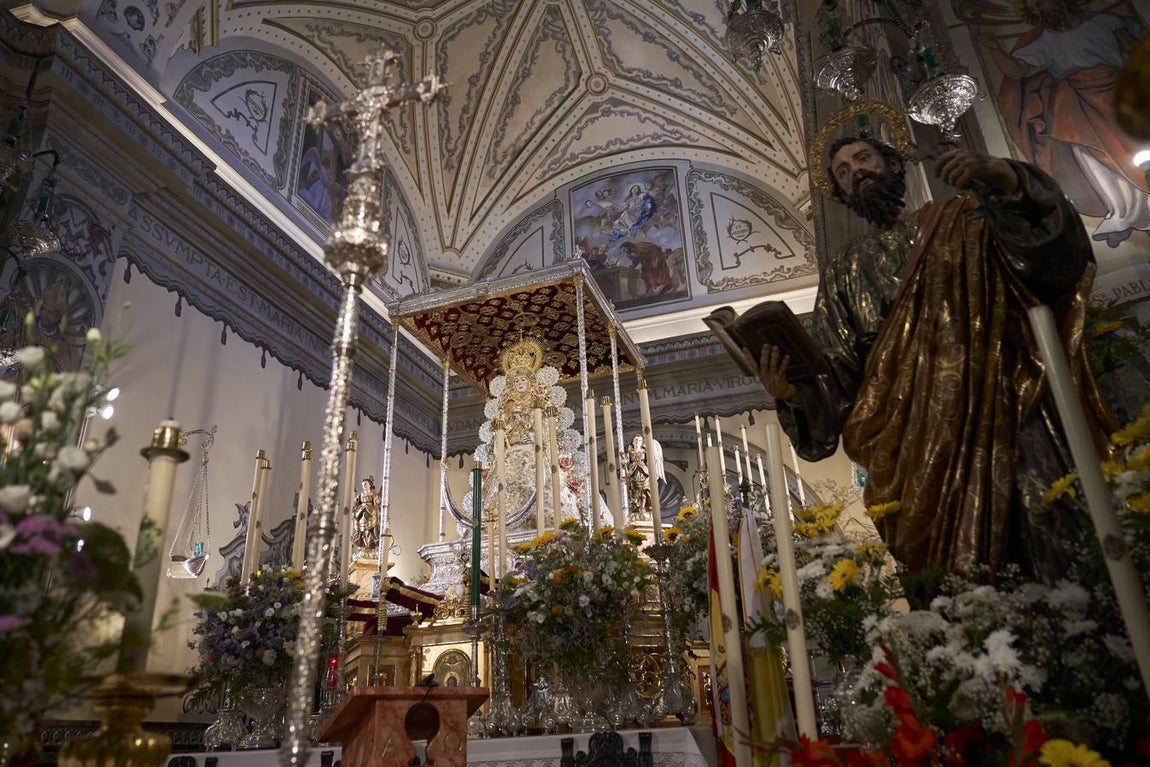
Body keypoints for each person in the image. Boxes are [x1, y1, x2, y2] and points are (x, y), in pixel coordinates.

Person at [750, 136, 1114, 582]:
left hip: (1004, 407)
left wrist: (1008, 178)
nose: (856, 171)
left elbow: (1050, 255)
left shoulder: (968, 218)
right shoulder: (845, 271)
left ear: (893, 164)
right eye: (843, 172)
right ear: (842, 194)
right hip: (913, 449)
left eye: (863, 158)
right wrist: (792, 393)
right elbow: (837, 375)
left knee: (1047, 531)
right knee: (952, 580)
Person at [976, 1, 1147, 246]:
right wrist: (994, 48)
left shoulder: (1104, 22)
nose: (1042, 7)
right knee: (1090, 154)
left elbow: (1133, 48)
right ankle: (1125, 212)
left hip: (1120, 94)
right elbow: (1016, 71)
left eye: (1045, 1)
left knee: (1137, 143)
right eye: (1036, 6)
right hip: (1080, 103)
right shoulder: (1044, 43)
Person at [351, 476, 380, 555]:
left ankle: (370, 543)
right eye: (363, 484)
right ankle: (364, 544)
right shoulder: (361, 495)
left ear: (369, 485)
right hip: (361, 512)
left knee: (370, 529)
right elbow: (355, 503)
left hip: (371, 512)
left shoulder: (372, 494)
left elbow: (377, 502)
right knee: (362, 529)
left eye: (366, 484)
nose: (364, 486)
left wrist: (377, 500)